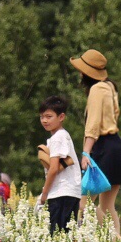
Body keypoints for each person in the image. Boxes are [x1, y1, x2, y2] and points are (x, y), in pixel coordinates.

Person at [70, 49, 121, 230]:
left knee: (84, 203)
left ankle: (118, 240)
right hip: (117, 147)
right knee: (107, 206)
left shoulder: (97, 90)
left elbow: (94, 123)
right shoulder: (109, 87)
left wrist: (86, 153)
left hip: (104, 148)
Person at [36, 95, 81, 232]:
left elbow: (54, 168)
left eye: (49, 117)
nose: (44, 120)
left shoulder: (58, 137)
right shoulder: (62, 135)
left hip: (61, 193)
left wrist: (44, 195)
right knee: (67, 235)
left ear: (61, 117)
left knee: (57, 236)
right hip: (70, 192)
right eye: (42, 117)